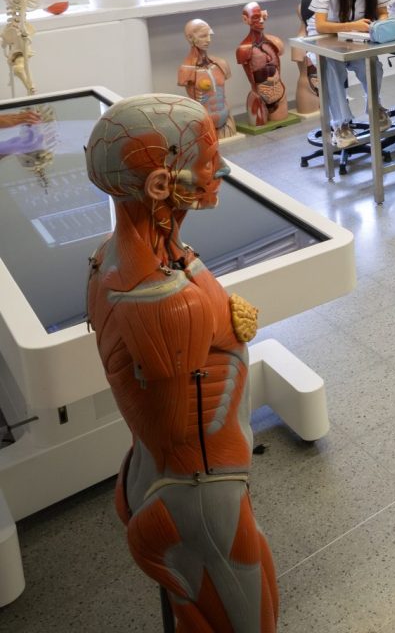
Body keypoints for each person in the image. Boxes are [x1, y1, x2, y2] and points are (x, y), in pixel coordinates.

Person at [84, 94, 278, 632]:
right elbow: (177, 424)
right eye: (210, 161)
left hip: (159, 472)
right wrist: (214, 325)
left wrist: (221, 325)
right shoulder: (163, 301)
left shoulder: (109, 257)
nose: (222, 171)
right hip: (200, 492)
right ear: (159, 185)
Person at [309, 0, 394, 149]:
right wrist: (351, 25)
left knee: (372, 66)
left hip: (357, 37)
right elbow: (320, 25)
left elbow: (383, 11)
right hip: (326, 38)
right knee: (331, 67)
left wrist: (380, 23)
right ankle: (341, 124)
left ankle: (374, 107)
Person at [178, 18, 238, 138]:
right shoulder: (186, 70)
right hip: (204, 125)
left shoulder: (220, 64)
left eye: (209, 35)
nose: (208, 40)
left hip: (226, 121)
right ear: (190, 38)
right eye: (203, 36)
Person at [235, 2, 289, 127]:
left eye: (261, 16)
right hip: (259, 96)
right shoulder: (243, 49)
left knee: (283, 128)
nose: (260, 20)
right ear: (246, 19)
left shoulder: (275, 42)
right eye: (255, 17)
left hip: (279, 92)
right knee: (260, 128)